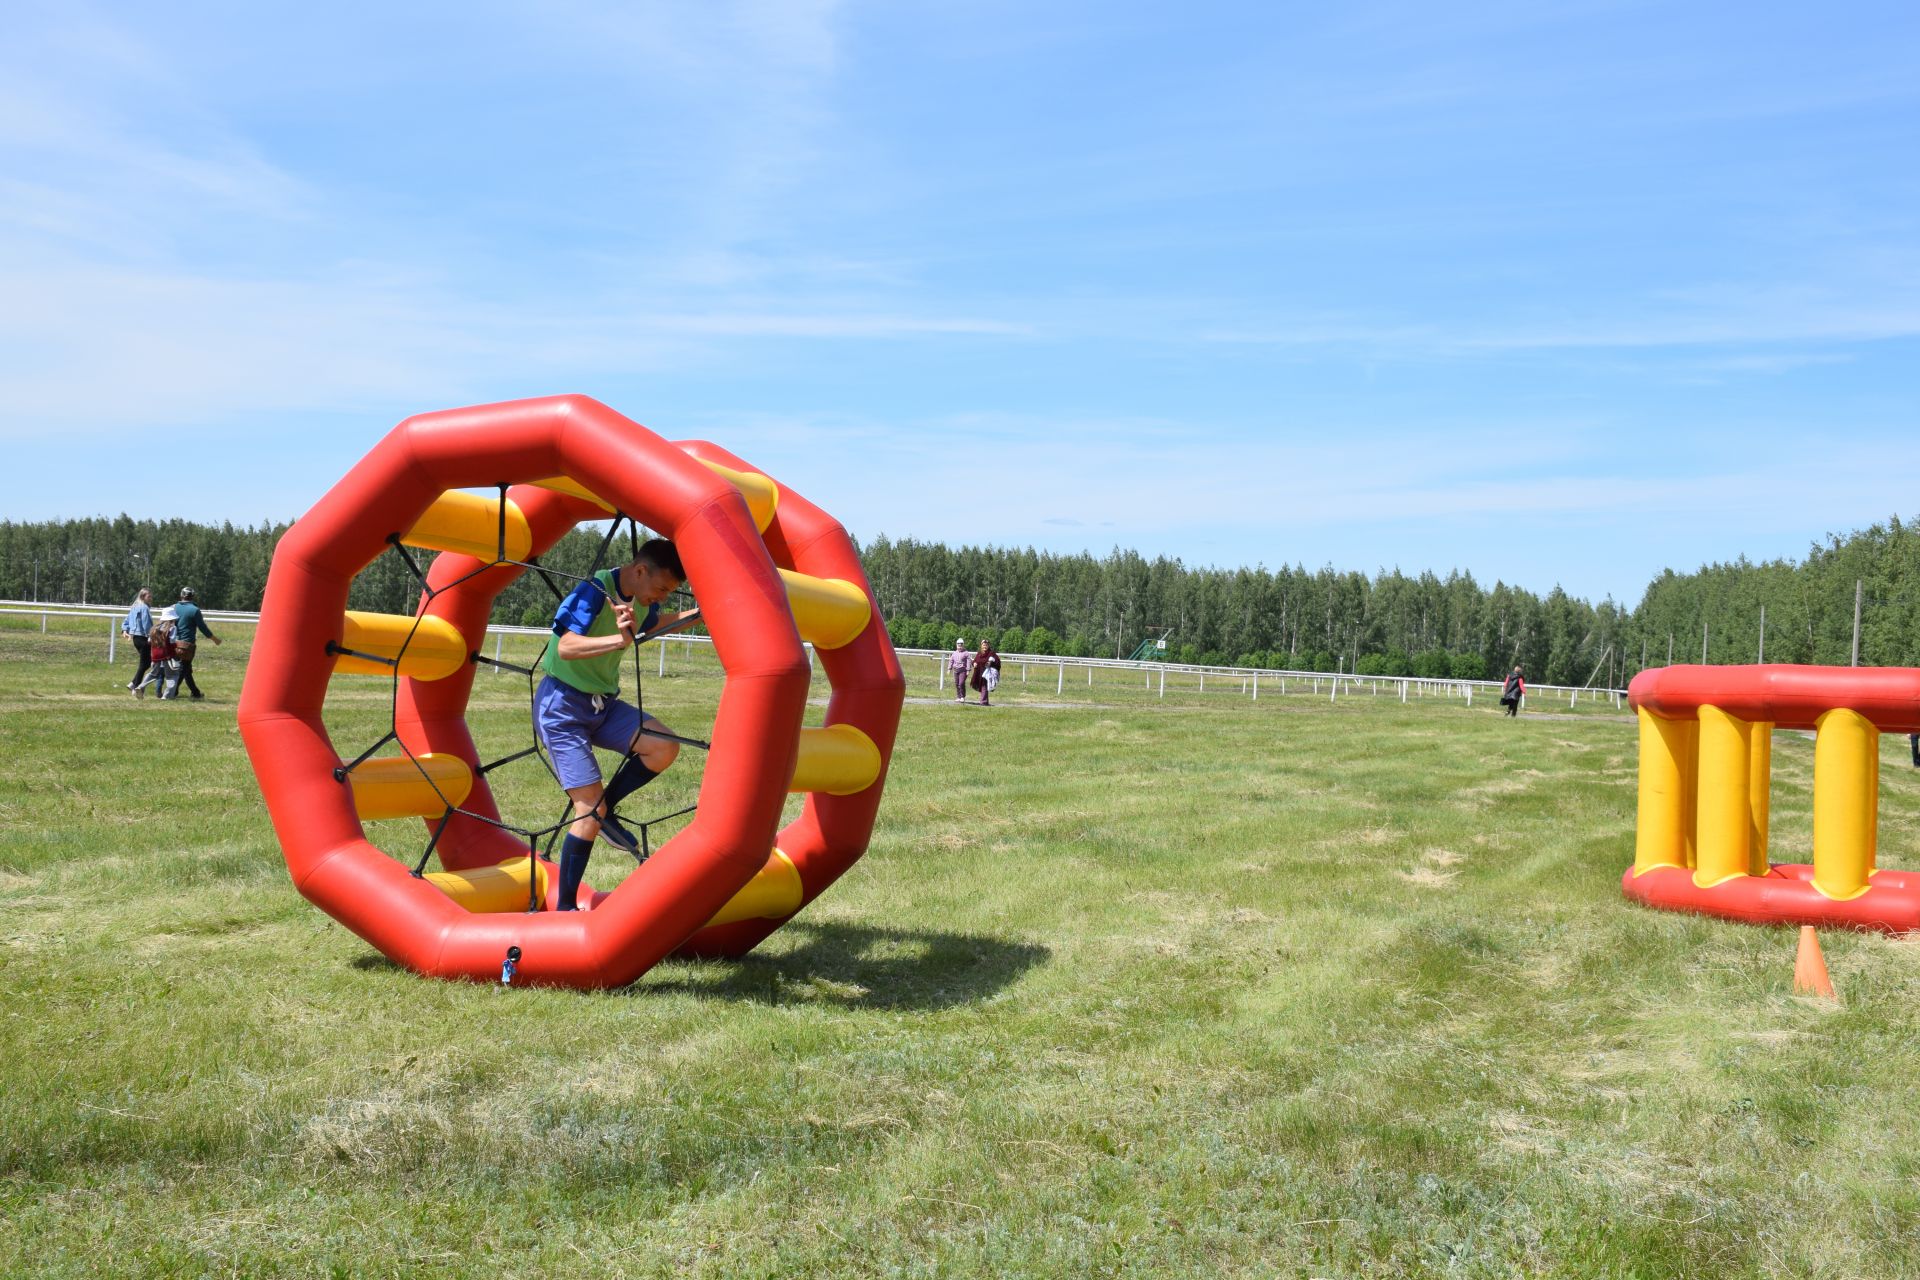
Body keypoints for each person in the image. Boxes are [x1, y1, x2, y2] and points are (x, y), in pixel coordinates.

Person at [535, 539, 697, 911]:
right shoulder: (594, 591)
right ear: (640, 571)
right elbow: (564, 647)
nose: (661, 599)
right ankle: (564, 911)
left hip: (602, 705)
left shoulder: (638, 600)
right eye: (661, 589)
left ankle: (608, 812)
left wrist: (697, 614)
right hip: (562, 708)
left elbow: (653, 626)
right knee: (588, 808)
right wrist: (618, 640)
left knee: (664, 744)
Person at [169, 587, 222, 700]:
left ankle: (195, 692)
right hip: (187, 645)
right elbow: (203, 628)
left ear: (181, 595)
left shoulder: (174, 607)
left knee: (185, 669)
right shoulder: (195, 610)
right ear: (192, 596)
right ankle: (173, 691)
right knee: (184, 669)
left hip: (174, 643)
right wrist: (214, 639)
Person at [137, 612, 181, 700]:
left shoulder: (154, 628)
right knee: (172, 675)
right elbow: (172, 641)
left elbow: (149, 641)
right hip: (167, 655)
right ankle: (167, 696)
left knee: (153, 673)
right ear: (172, 619)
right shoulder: (172, 628)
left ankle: (141, 687)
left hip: (155, 654)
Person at [123, 588, 154, 694]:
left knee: (146, 663)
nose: (151, 598)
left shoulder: (134, 607)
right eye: (148, 596)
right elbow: (146, 624)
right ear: (142, 597)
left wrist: (124, 629)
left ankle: (133, 683)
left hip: (135, 638)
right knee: (145, 663)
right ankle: (135, 687)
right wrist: (151, 635)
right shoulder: (144, 608)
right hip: (143, 638)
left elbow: (126, 620)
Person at [970, 639, 1002, 706]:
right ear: (981, 646)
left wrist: (990, 663)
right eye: (983, 645)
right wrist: (974, 663)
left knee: (984, 686)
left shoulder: (991, 653)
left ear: (988, 646)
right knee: (982, 687)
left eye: (986, 645)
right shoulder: (979, 653)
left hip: (987, 673)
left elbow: (997, 661)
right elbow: (974, 661)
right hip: (979, 673)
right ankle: (985, 701)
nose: (985, 646)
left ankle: (983, 701)